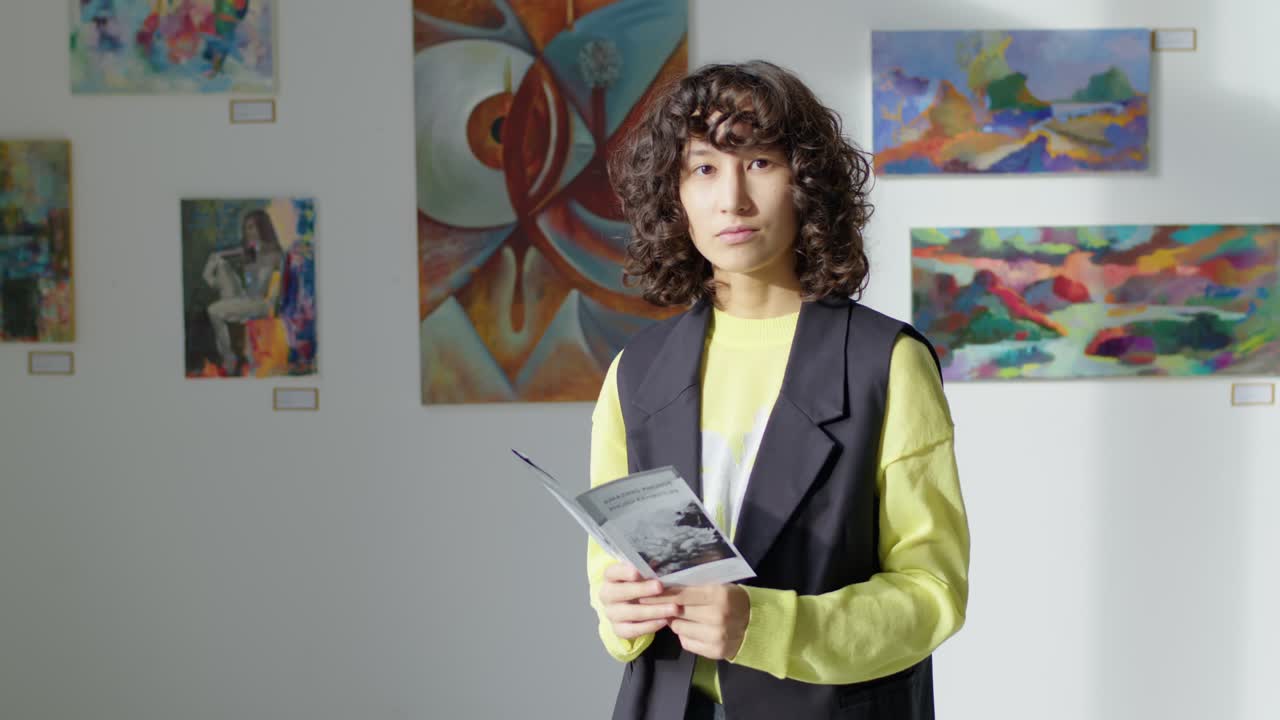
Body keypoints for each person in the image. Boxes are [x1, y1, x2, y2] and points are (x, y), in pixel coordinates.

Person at [587, 61, 970, 720]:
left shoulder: (887, 362)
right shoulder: (636, 371)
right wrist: (620, 613)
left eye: (759, 163)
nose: (731, 200)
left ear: (806, 182)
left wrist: (761, 625)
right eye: (703, 168)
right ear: (674, 194)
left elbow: (932, 594)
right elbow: (609, 572)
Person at [201, 208, 283, 375]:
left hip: (262, 304)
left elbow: (278, 288)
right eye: (246, 228)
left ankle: (229, 357)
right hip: (246, 299)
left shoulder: (275, 254)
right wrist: (209, 273)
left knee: (213, 311)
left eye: (252, 227)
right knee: (221, 263)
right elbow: (218, 255)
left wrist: (273, 305)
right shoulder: (249, 252)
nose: (248, 232)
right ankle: (230, 356)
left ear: (263, 227)